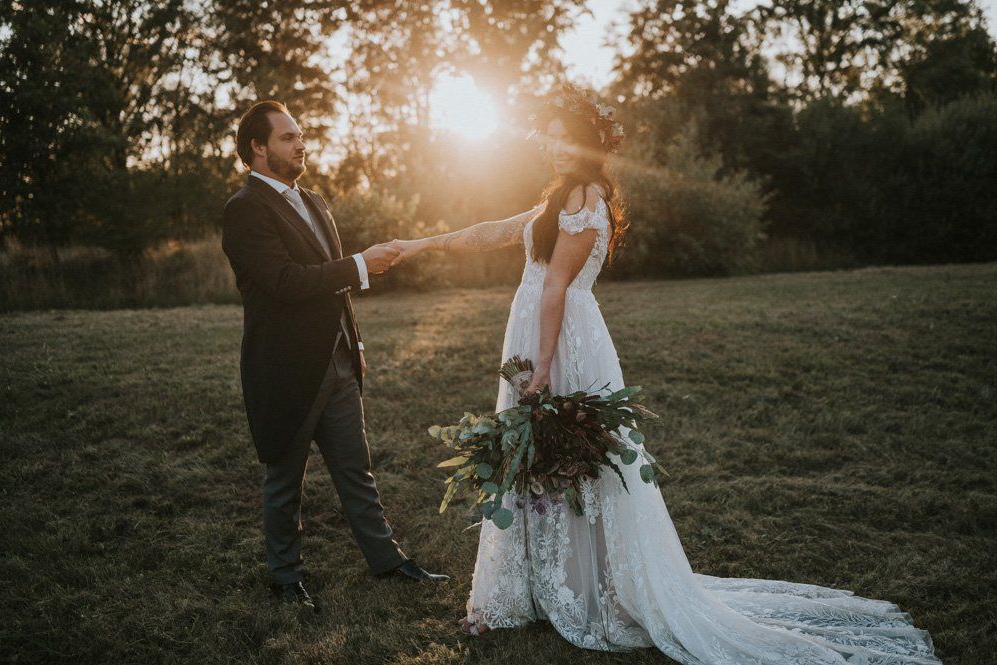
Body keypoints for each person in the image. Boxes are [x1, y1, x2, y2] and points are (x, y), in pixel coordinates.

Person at [387, 84, 940, 663]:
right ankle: (536, 589)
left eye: (562, 135)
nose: (551, 144)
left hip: (561, 341)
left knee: (569, 459)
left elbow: (554, 285)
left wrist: (544, 366)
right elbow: (500, 231)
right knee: (538, 459)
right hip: (539, 332)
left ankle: (586, 590)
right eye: (546, 134)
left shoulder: (585, 195)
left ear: (588, 143)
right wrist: (420, 243)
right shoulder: (559, 196)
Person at [221, 100, 448, 612]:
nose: (301, 144)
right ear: (257, 147)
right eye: (287, 137)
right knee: (284, 481)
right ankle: (285, 579)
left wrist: (356, 328)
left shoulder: (316, 200)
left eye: (300, 135)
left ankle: (387, 561)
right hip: (285, 369)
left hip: (339, 360)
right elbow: (283, 283)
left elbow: (332, 285)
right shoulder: (245, 209)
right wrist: (358, 263)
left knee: (356, 469)